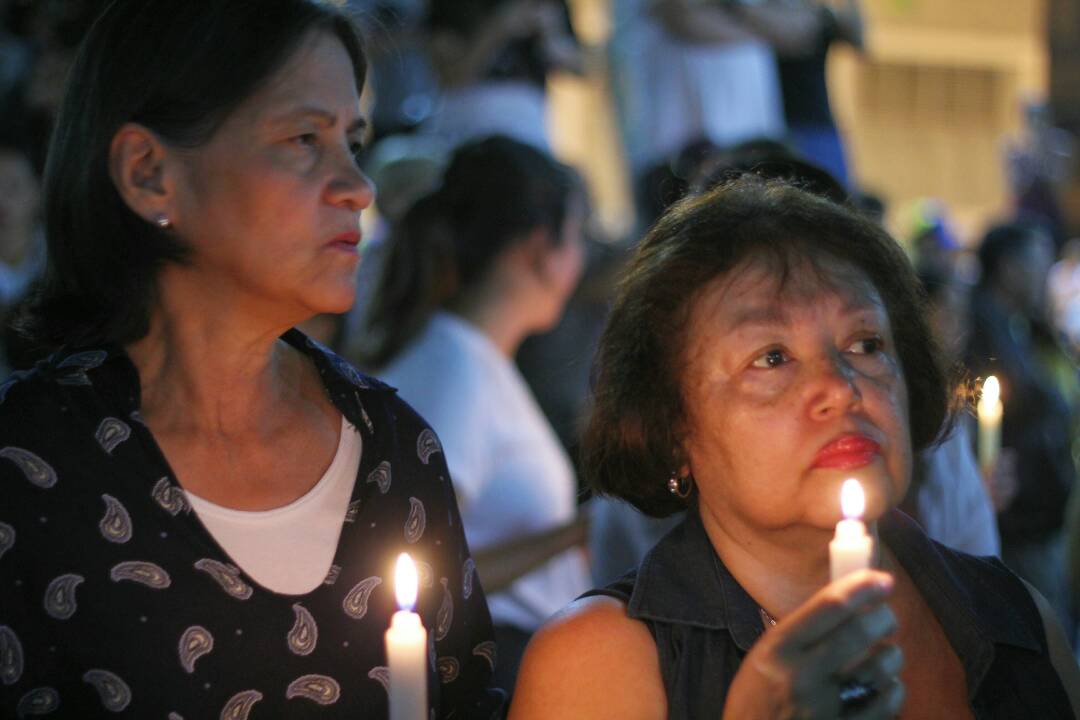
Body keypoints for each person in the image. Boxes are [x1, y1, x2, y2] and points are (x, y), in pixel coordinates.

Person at [0, 2, 502, 717]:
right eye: (304, 138)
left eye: (353, 142)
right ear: (149, 174)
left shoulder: (394, 447)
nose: (357, 187)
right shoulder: (30, 468)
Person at [510, 175, 1080, 718]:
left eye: (865, 344)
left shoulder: (1018, 620)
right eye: (772, 357)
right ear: (672, 428)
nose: (841, 386)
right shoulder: (601, 664)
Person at [364, 135, 592, 696]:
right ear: (542, 247)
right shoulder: (455, 367)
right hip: (495, 670)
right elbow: (414, 565)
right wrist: (580, 531)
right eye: (579, 236)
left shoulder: (476, 360)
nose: (585, 258)